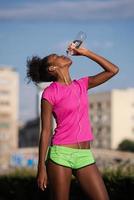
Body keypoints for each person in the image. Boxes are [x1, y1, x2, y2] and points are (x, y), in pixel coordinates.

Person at [26, 43, 119, 200]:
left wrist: (86, 52)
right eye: (55, 57)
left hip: (85, 155)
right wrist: (41, 167)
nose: (61, 55)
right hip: (60, 154)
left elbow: (113, 70)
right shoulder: (50, 93)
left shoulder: (81, 84)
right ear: (52, 69)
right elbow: (46, 131)